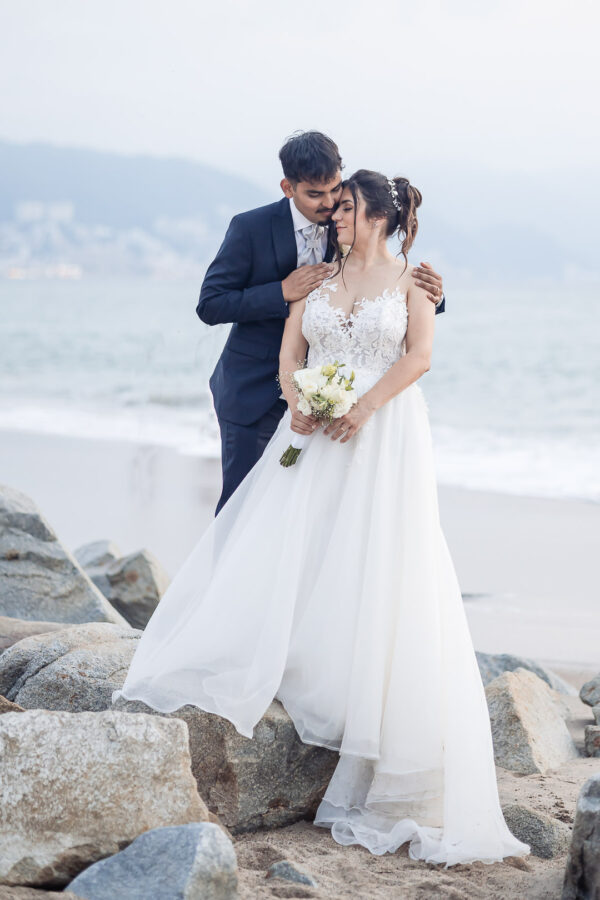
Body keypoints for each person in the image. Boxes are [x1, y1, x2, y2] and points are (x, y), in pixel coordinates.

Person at [113, 166, 530, 867]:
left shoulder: (414, 282)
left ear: (377, 215)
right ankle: (290, 654)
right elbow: (290, 348)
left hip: (385, 433)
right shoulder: (318, 276)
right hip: (311, 429)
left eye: (345, 207)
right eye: (330, 205)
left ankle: (364, 694)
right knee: (293, 542)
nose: (334, 216)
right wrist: (297, 397)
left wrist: (364, 407)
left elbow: (419, 355)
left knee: (378, 551)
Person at [197, 131, 445, 514]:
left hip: (334, 396)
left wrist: (434, 295)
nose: (329, 205)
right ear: (288, 188)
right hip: (254, 391)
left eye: (335, 192)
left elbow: (382, 286)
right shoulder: (250, 228)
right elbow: (210, 305)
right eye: (316, 195)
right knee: (242, 511)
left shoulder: (348, 219)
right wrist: (281, 290)